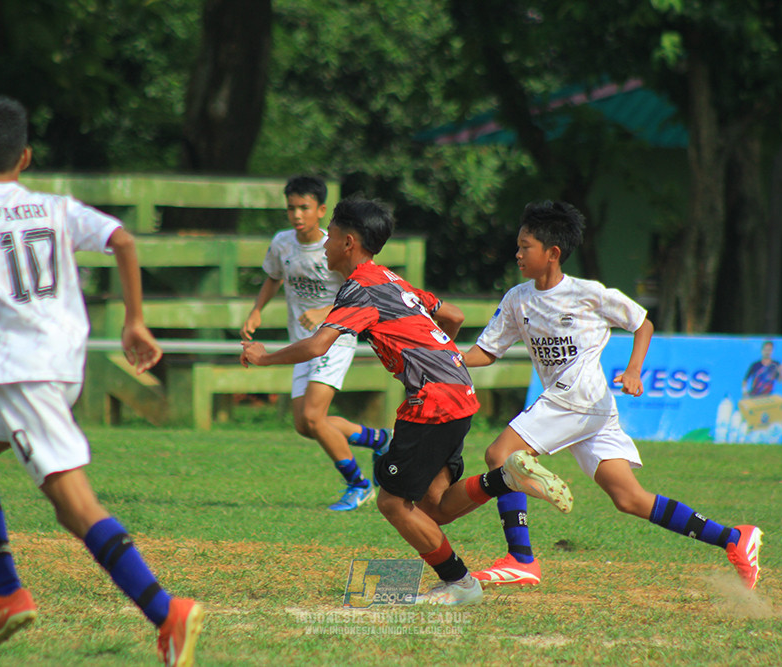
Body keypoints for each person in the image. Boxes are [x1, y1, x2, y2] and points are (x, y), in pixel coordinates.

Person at [0, 96, 202, 666]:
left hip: (21, 373)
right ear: (26, 156)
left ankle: (167, 613)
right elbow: (124, 240)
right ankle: (7, 593)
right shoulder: (55, 207)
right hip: (58, 365)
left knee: (75, 507)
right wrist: (136, 320)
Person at [241, 197, 575, 606]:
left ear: (348, 242)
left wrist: (263, 357)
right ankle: (502, 481)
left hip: (435, 400)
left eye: (330, 234)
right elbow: (450, 314)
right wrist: (440, 356)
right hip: (459, 393)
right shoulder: (389, 279)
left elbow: (317, 345)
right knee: (434, 507)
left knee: (393, 502)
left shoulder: (359, 289)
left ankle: (461, 583)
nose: (324, 242)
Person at [461, 200, 764, 591]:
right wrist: (442, 356)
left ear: (552, 254)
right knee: (629, 498)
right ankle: (734, 538)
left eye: (525, 247)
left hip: (579, 398)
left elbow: (642, 323)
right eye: (518, 246)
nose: (517, 254)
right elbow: (484, 352)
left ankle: (521, 559)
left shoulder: (588, 293)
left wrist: (634, 369)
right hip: (592, 410)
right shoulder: (518, 299)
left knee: (500, 456)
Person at [240, 176, 390, 512]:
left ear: (321, 210)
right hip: (302, 343)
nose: (296, 214)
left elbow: (359, 287)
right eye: (291, 207)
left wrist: (325, 310)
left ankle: (358, 484)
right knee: (306, 425)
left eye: (304, 207)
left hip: (334, 339)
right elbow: (274, 277)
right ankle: (379, 440)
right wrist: (255, 311)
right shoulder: (282, 243)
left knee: (314, 415)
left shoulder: (335, 246)